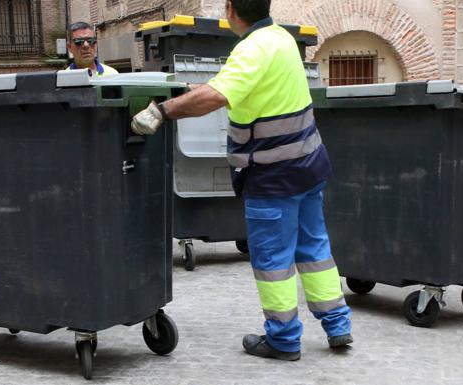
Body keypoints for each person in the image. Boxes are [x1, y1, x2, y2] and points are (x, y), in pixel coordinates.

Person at [130, 0, 352, 361]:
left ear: (231, 8)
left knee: (273, 263)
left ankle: (282, 340)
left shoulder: (252, 48)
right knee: (315, 250)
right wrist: (191, 89)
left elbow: (218, 96)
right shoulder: (280, 39)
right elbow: (241, 86)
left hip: (273, 177)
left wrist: (162, 111)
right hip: (309, 167)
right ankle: (338, 324)